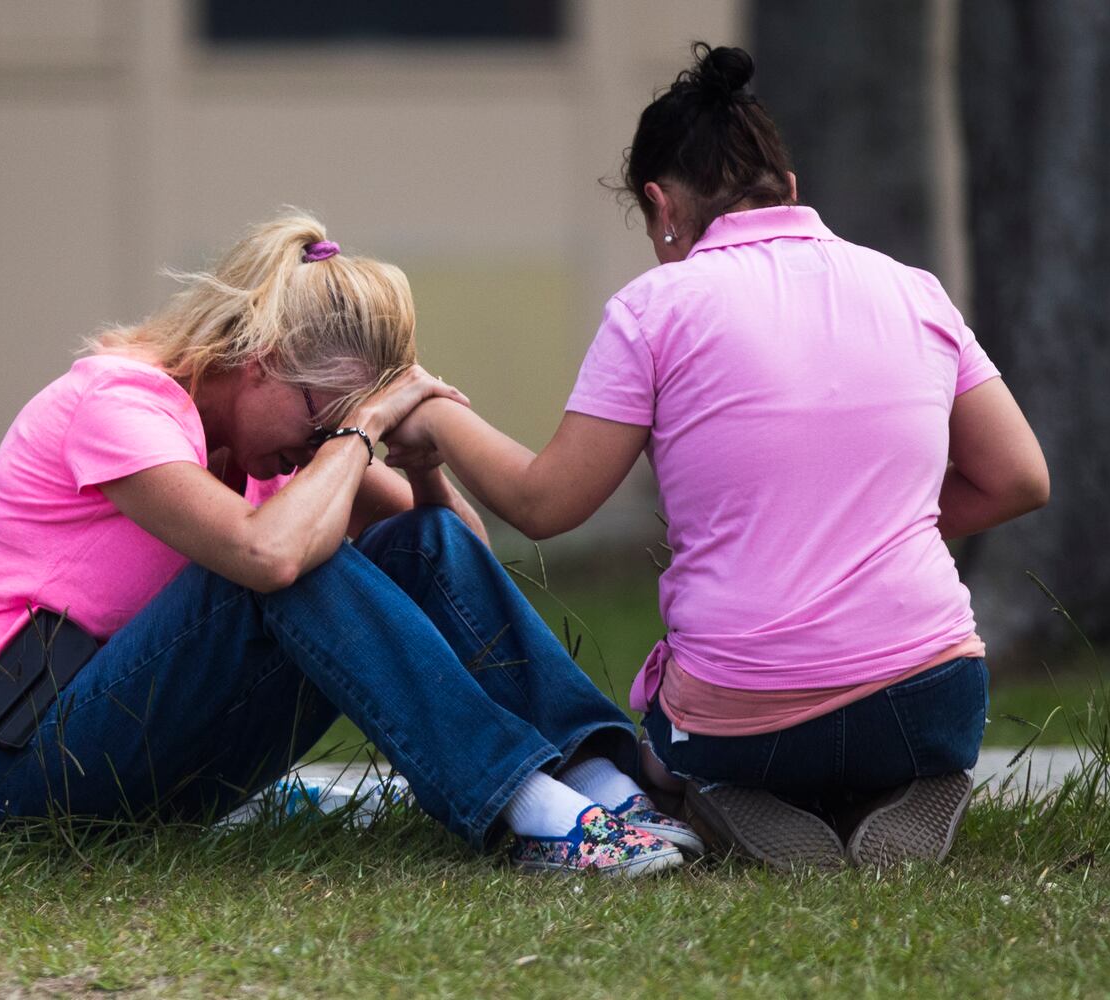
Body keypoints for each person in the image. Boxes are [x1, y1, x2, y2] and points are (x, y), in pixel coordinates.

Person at [384, 45, 1049, 869]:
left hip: (745, 717)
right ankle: (907, 788)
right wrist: (871, 525)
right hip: (932, 701)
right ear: (790, 189)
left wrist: (436, 416)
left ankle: (725, 793)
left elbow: (545, 505)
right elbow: (1021, 476)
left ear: (661, 205)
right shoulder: (914, 289)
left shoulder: (657, 307)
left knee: (663, 756)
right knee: (884, 723)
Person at [0, 213, 700, 876]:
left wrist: (425, 463)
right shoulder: (118, 402)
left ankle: (606, 782)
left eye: (336, 425)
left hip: (157, 771)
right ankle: (533, 810)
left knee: (402, 539)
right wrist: (360, 432)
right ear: (260, 358)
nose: (318, 446)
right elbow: (264, 557)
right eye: (317, 420)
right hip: (26, 768)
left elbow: (451, 558)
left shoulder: (296, 458)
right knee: (289, 566)